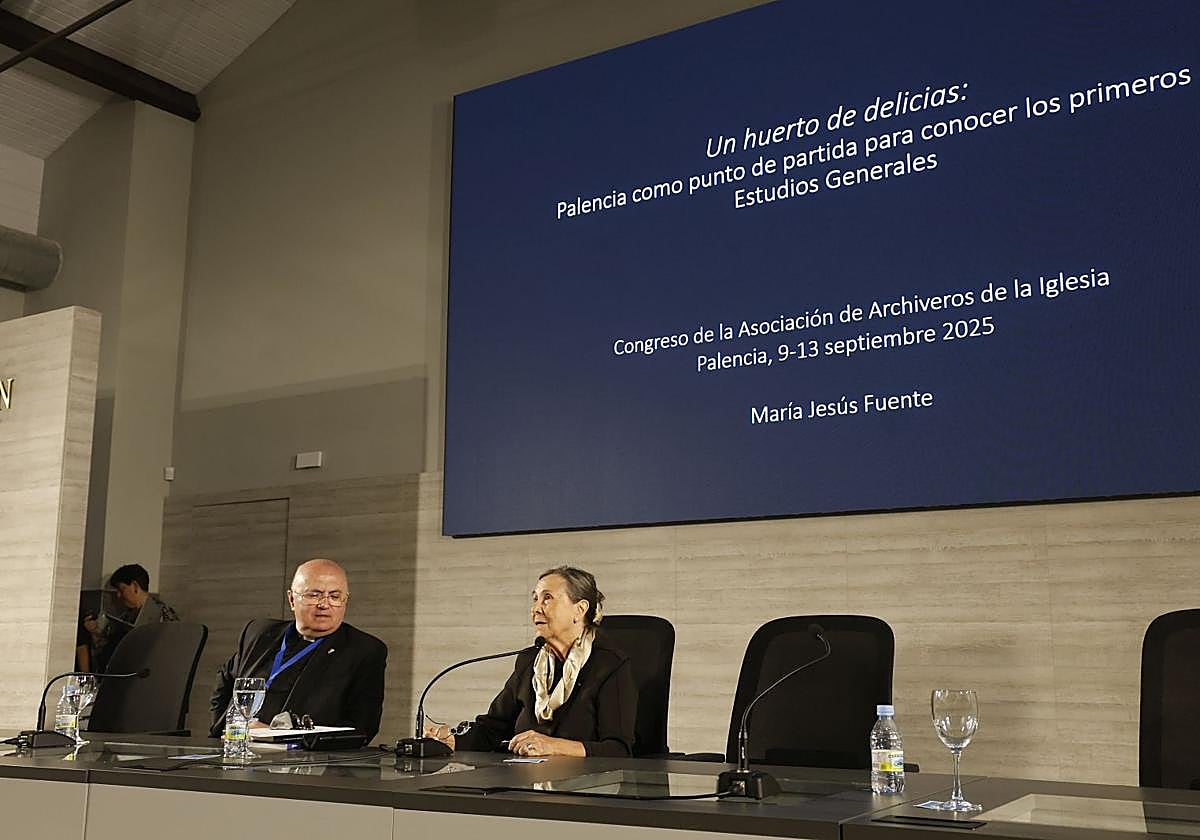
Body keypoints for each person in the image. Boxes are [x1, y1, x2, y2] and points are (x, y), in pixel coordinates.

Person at [425, 566, 636, 757]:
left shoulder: (609, 664)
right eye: (534, 599)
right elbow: (493, 728)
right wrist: (452, 741)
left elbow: (617, 749)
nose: (536, 608)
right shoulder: (530, 661)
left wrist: (553, 746)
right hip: (526, 782)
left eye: (547, 598)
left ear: (579, 610)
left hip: (586, 789)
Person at [209, 558, 388, 741]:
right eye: (314, 595)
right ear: (292, 599)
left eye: (335, 597)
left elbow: (361, 729)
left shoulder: (364, 651)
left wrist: (273, 736)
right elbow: (224, 683)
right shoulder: (259, 633)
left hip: (300, 762)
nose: (324, 604)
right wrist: (227, 727)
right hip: (233, 746)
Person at [85, 564, 180, 671]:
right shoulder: (125, 617)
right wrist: (95, 633)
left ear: (135, 586)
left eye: (122, 589)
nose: (118, 595)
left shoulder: (163, 614)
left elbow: (173, 652)